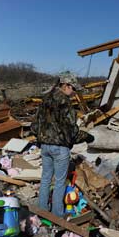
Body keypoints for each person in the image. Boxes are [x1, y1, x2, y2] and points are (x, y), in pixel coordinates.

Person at [31, 72, 94, 217]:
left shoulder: (45, 99)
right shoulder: (64, 102)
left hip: (45, 146)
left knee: (46, 178)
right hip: (60, 148)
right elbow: (71, 130)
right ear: (65, 85)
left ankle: (42, 211)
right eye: (73, 88)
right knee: (60, 182)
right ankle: (57, 216)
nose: (73, 93)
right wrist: (87, 137)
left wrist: (42, 138)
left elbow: (35, 126)